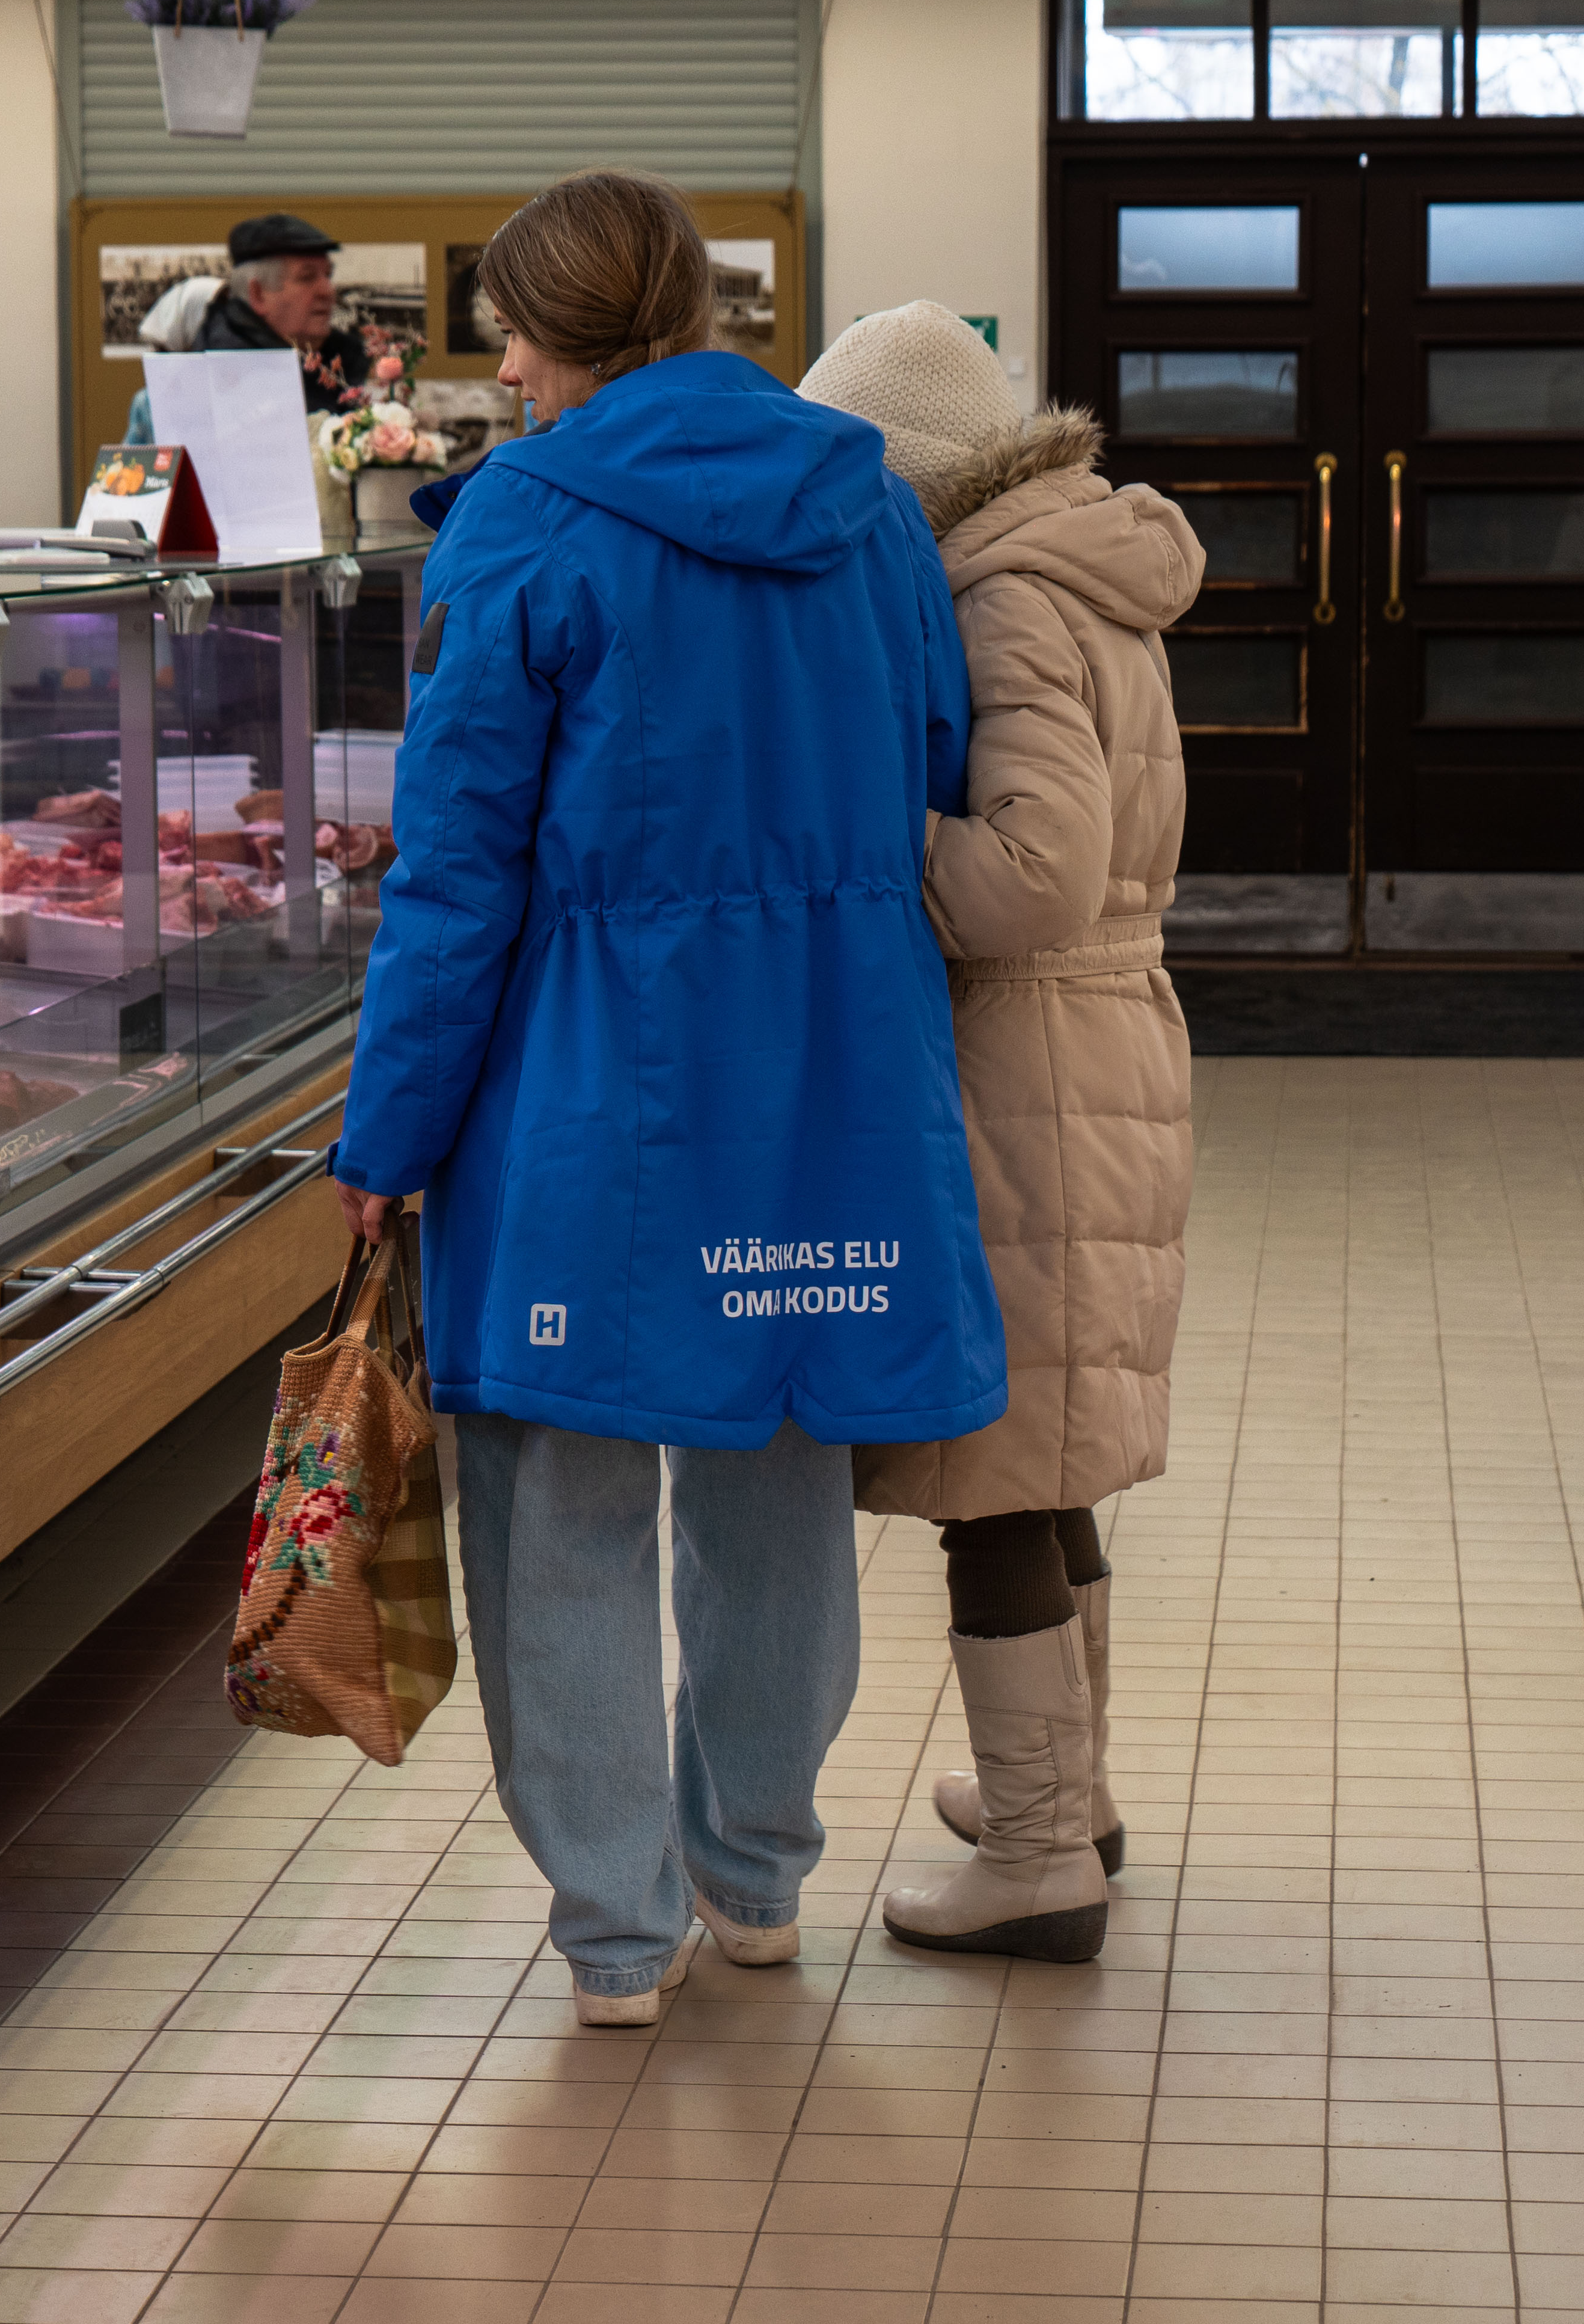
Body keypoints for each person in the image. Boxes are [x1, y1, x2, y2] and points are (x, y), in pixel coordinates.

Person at [327, 171, 1007, 2026]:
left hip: (591, 1081)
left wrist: (386, 1137)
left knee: (562, 1491)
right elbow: (937, 750)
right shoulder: (868, 504)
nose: (506, 372)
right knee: (777, 1458)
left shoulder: (524, 520)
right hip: (835, 1068)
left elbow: (457, 879)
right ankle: (755, 1877)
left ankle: (619, 1934)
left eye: (511, 336)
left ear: (552, 335)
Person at [801, 303, 1201, 1964]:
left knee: (994, 1476)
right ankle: (1070, 1798)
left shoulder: (1002, 595)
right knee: (1049, 1459)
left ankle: (1038, 1857)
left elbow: (1034, 872)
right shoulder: (1078, 565)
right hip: (1098, 1041)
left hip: (1031, 1057)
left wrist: (857, 835)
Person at [201, 211, 372, 412]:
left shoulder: (343, 356)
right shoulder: (223, 378)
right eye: (307, 277)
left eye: (328, 275)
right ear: (259, 295)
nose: (328, 291)